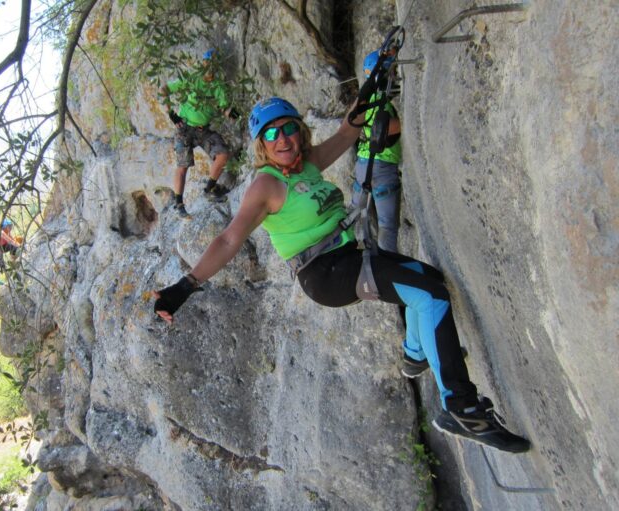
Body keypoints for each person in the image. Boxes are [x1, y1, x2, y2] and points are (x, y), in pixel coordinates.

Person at [152, 91, 531, 453]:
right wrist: (186, 286)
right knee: (429, 297)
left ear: (299, 133)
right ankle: (461, 408)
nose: (282, 138)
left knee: (430, 281)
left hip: (347, 257)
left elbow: (349, 131)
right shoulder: (267, 184)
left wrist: (376, 76)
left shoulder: (307, 162)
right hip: (326, 274)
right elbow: (229, 240)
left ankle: (415, 355)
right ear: (261, 145)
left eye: (288, 129)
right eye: (271, 133)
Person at [160, 48, 233, 219]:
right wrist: (171, 113)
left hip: (203, 130)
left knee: (222, 154)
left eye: (214, 65)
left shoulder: (219, 87)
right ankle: (179, 204)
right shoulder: (191, 79)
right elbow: (164, 90)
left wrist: (241, 115)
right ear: (203, 64)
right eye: (208, 63)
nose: (210, 68)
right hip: (184, 127)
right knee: (183, 165)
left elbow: (225, 109)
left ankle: (209, 189)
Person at [351, 50, 402, 252]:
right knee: (387, 226)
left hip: (363, 165)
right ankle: (387, 269)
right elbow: (391, 127)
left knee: (356, 216)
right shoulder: (381, 100)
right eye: (393, 70)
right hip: (382, 165)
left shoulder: (365, 99)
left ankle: (362, 261)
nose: (396, 75)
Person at [0, 219, 20, 285]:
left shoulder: (7, 232)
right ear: (5, 227)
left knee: (13, 247)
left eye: (11, 226)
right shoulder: (2, 232)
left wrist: (18, 245)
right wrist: (20, 246)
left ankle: (12, 261)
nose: (11, 228)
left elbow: (12, 240)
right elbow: (10, 241)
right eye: (9, 226)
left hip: (1, 247)